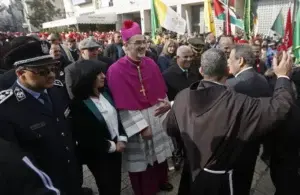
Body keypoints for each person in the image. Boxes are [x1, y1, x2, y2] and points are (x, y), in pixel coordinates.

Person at [164, 48, 293, 195]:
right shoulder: (240, 102)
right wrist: (283, 77)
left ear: (201, 70)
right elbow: (280, 107)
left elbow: (170, 128)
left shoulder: (182, 96)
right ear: (227, 70)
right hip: (220, 181)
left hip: (193, 172)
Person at [0, 40, 83, 195]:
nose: (51, 75)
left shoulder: (57, 90)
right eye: (43, 72)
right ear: (20, 73)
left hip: (72, 175)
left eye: (53, 68)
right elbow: (13, 160)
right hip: (42, 184)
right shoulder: (6, 108)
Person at [106, 20, 174, 195]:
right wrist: (142, 127)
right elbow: (122, 105)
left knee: (160, 156)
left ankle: (162, 180)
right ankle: (145, 190)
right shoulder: (115, 70)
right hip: (136, 121)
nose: (143, 46)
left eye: (144, 41)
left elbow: (161, 90)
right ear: (126, 45)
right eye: (138, 43)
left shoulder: (150, 63)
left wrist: (166, 105)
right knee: (142, 161)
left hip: (157, 115)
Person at [70, 60, 127, 195]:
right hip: (98, 154)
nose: (103, 76)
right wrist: (112, 146)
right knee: (106, 185)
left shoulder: (106, 93)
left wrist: (122, 138)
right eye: (98, 74)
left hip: (116, 146)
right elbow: (84, 136)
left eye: (103, 72)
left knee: (116, 182)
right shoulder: (78, 104)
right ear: (87, 77)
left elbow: (117, 118)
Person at [226, 44, 272, 195]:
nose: (227, 62)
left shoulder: (231, 85)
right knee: (246, 177)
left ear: (240, 61)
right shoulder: (263, 80)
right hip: (255, 140)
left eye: (230, 59)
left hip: (235, 142)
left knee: (233, 182)